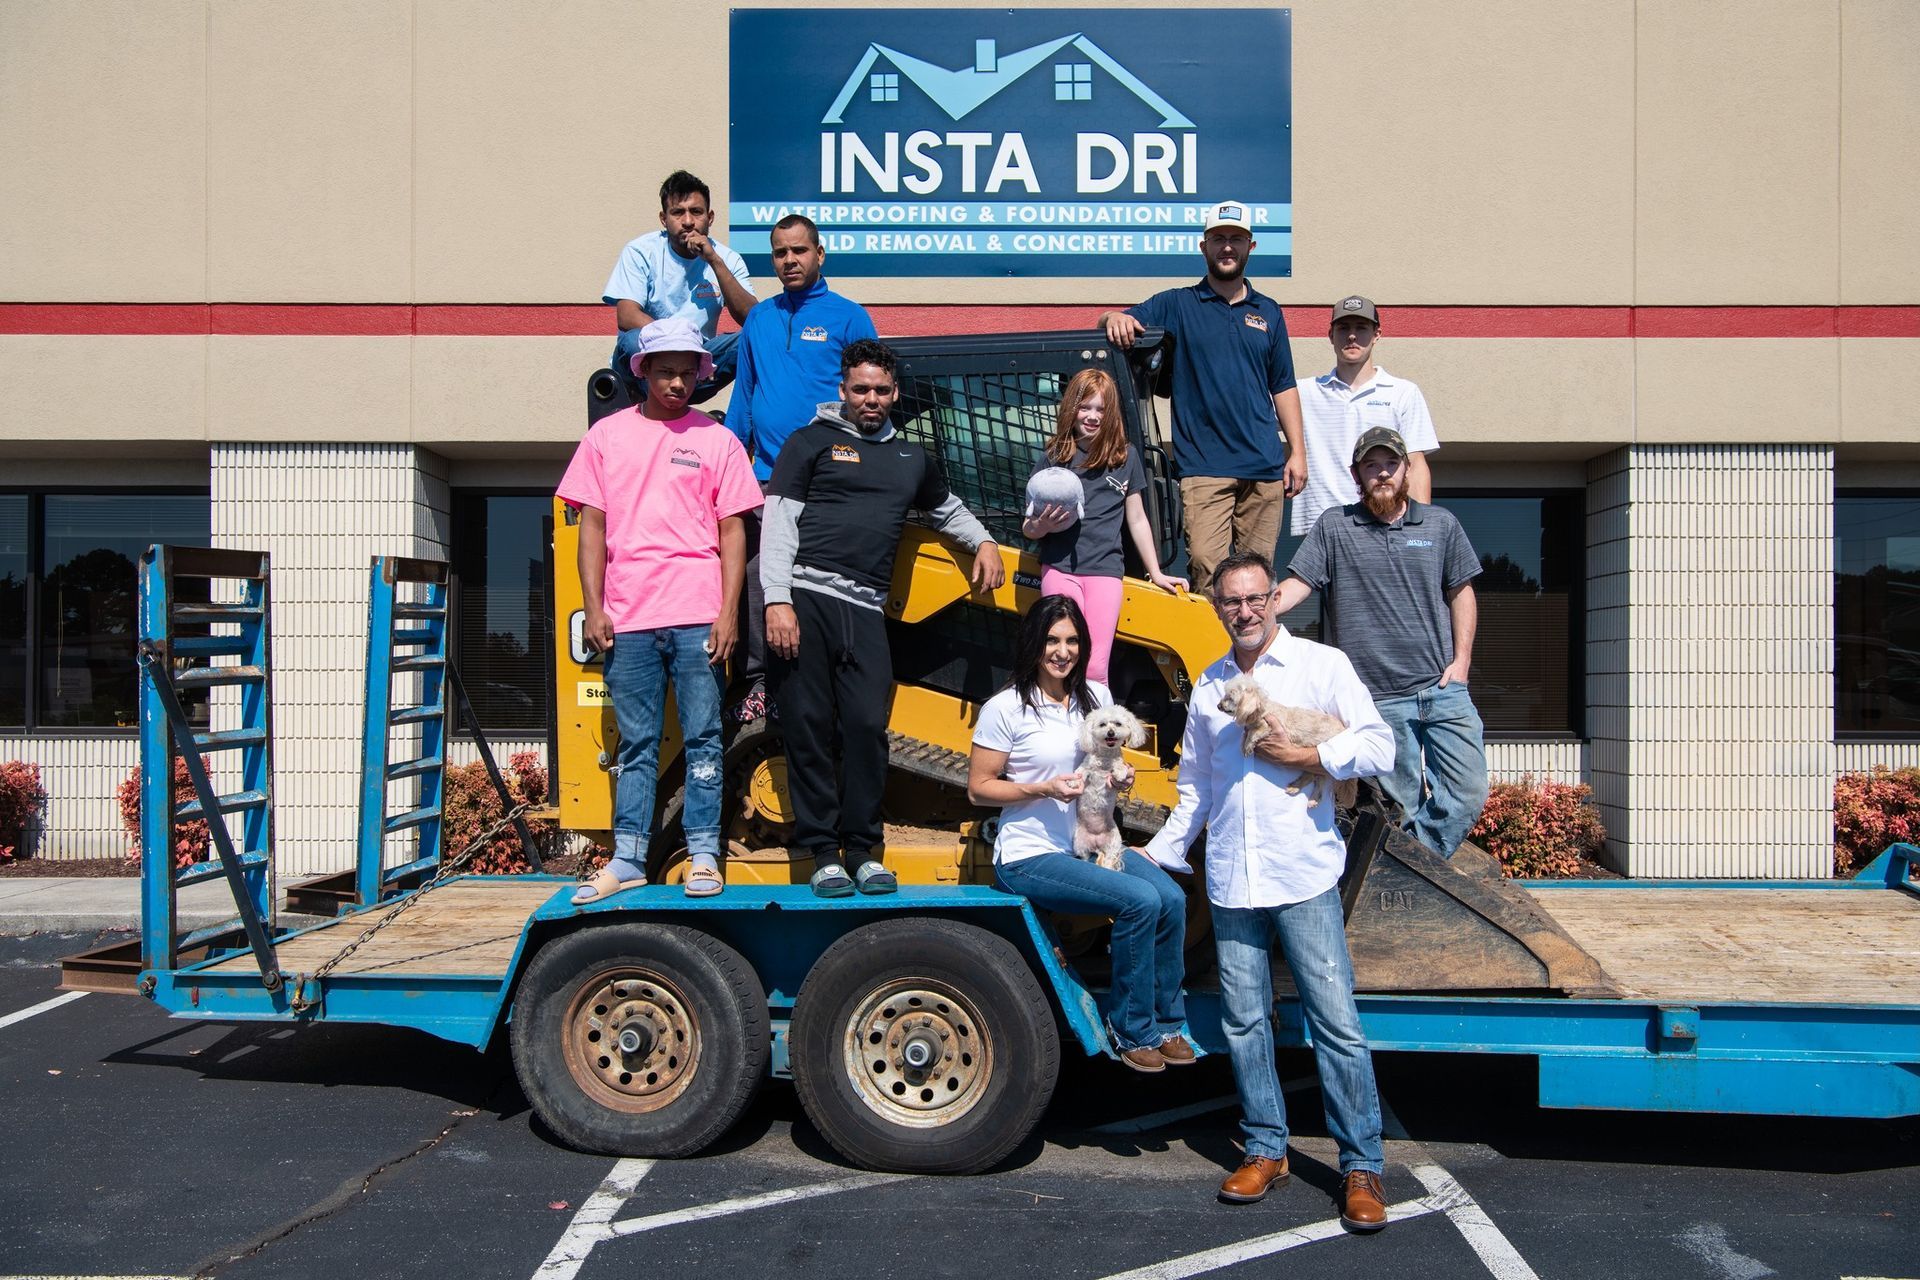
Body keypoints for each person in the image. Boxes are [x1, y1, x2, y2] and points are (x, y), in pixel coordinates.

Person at [1142, 550, 1395, 1227]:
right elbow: (1196, 784)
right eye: (1232, 601)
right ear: (1218, 607)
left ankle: (1362, 1164)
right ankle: (1265, 1148)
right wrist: (1162, 851)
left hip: (1303, 872)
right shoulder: (1209, 685)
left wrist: (1311, 756)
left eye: (1256, 598)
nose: (1246, 611)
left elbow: (1380, 747)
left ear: (1275, 599)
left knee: (1335, 1023)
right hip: (1232, 878)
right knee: (1245, 1022)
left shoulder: (1322, 666)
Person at [762, 339, 1004, 897]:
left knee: (867, 729)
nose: (870, 399)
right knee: (808, 727)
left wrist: (986, 541)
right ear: (843, 390)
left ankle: (863, 852)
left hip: (867, 608)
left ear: (895, 393)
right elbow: (779, 522)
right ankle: (824, 854)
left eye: (880, 390)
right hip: (805, 599)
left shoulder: (911, 459)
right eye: (860, 389)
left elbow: (947, 510)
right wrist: (777, 599)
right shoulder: (808, 443)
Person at [558, 318, 764, 901]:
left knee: (704, 739)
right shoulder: (606, 437)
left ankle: (704, 854)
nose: (677, 383)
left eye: (687, 373)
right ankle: (627, 859)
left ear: (701, 375)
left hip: (698, 613)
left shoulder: (718, 440)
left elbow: (733, 532)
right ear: (642, 370)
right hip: (628, 616)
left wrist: (728, 613)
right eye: (666, 371)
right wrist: (593, 607)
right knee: (637, 745)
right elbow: (591, 528)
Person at [967, 595, 1192, 1074]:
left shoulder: (1095, 697)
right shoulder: (1006, 707)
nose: (1062, 651)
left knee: (1172, 898)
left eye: (1071, 641)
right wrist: (1042, 788)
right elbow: (979, 788)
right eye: (1052, 640)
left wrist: (1120, 778)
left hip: (1088, 843)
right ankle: (1131, 1029)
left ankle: (1169, 1023)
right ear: (1034, 643)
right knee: (1140, 901)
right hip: (1030, 855)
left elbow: (1109, 760)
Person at [1275, 426, 1489, 857]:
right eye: (1371, 466)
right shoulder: (1335, 526)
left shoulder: (1440, 524)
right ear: (1357, 475)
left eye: (1391, 463)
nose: (1383, 473)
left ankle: (1414, 863)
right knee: (1399, 809)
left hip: (1442, 690)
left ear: (1406, 469)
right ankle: (1408, 880)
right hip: (1377, 701)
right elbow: (1299, 584)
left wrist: (1462, 661)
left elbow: (1461, 592)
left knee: (1468, 794)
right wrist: (1254, 606)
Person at [1098, 200, 1305, 593]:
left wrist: (1298, 452)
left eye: (1236, 239)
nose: (1227, 247)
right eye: (1218, 238)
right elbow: (1113, 320)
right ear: (1204, 246)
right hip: (1204, 469)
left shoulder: (1269, 312)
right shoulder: (1177, 304)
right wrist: (1114, 317)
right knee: (1209, 576)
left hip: (1264, 468)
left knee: (1257, 582)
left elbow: (1283, 385)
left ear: (1250, 247)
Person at [728, 213, 879, 723]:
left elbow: (870, 397)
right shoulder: (759, 319)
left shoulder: (849, 317)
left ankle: (827, 682)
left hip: (829, 478)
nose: (789, 260)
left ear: (819, 254)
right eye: (780, 253)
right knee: (756, 574)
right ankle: (759, 683)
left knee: (820, 582)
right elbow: (744, 398)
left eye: (799, 250)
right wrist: (731, 468)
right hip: (766, 477)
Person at [1021, 368, 1188, 686]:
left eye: (1100, 409)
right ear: (1071, 408)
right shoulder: (1053, 457)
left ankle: (1095, 719)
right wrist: (1041, 526)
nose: (1092, 416)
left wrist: (1156, 571)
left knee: (1096, 666)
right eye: (1085, 407)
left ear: (1111, 413)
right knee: (1060, 659)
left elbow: (1136, 518)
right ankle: (1058, 716)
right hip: (1060, 570)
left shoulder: (1126, 457)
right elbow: (1028, 527)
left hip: (1105, 572)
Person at [1291, 295, 1439, 536]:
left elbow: (1415, 465)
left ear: (1376, 334)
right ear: (1330, 335)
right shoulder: (1303, 392)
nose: (1352, 336)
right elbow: (1249, 418)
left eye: (1361, 328)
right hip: (1319, 527)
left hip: (1384, 525)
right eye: (1343, 328)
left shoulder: (1403, 392)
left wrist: (1420, 531)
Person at [603, 170, 756, 399]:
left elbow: (753, 318)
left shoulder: (726, 258)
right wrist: (681, 341)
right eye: (678, 213)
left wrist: (714, 261)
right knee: (632, 339)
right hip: (644, 362)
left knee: (755, 337)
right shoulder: (641, 251)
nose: (688, 222)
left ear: (710, 217)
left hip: (695, 365)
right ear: (663, 219)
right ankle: (655, 401)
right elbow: (626, 316)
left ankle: (746, 418)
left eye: (696, 212)